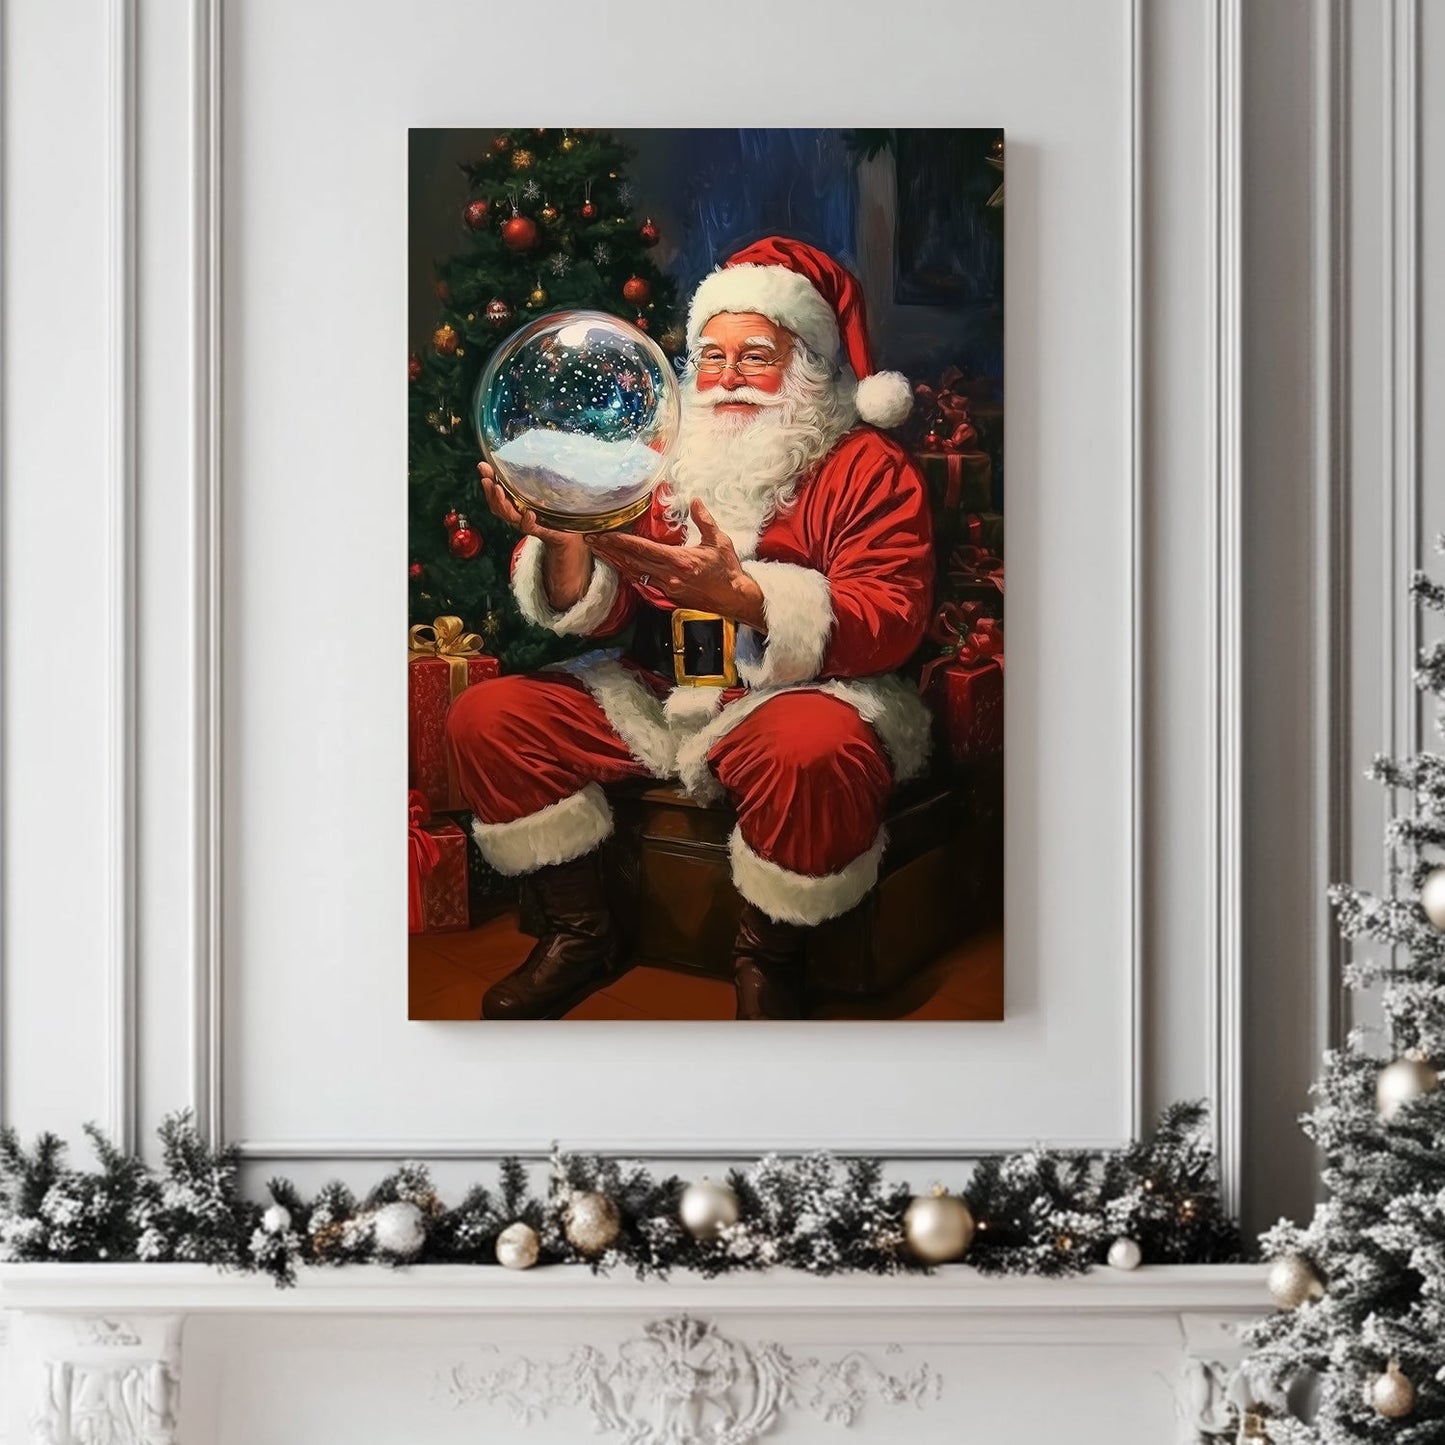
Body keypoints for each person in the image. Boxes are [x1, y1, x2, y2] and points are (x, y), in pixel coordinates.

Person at [446, 236, 935, 1020]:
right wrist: (568, 534)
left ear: (809, 363)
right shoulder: (662, 456)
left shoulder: (867, 464)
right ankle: (579, 934)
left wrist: (746, 598)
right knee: (490, 716)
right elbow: (599, 610)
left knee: (814, 751)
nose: (727, 377)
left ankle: (769, 956)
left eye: (755, 356)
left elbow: (890, 616)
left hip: (802, 691)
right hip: (664, 685)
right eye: (711, 356)